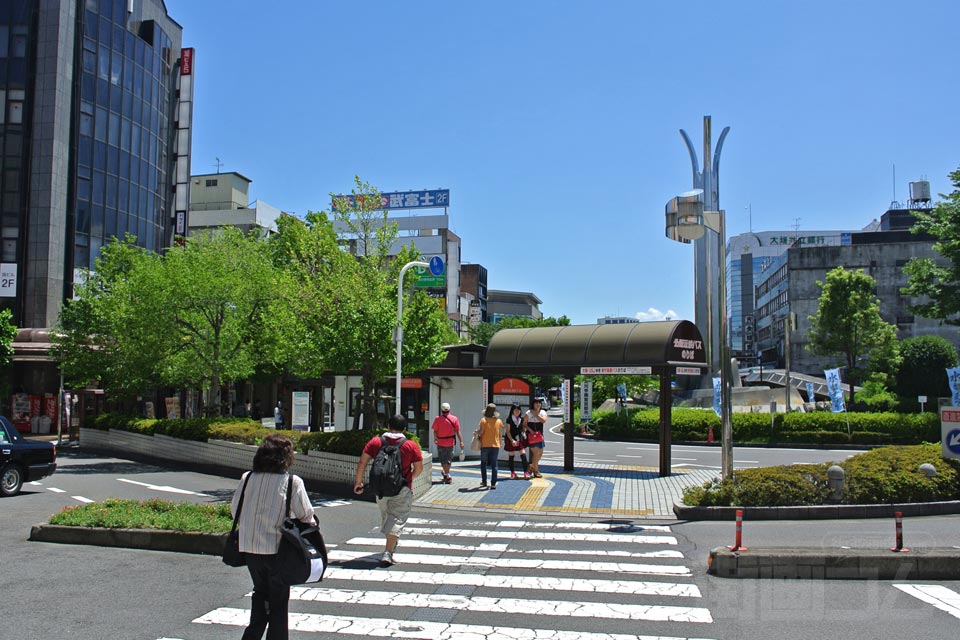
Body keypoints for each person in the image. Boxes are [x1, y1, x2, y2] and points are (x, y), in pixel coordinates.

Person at [230, 434, 316, 640]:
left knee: (260, 593)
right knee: (278, 600)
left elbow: (235, 511)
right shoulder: (292, 482)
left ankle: (251, 636)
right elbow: (306, 515)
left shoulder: (247, 478)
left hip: (249, 548)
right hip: (277, 550)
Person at [353, 414, 424, 566]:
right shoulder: (410, 445)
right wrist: (409, 478)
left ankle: (390, 545)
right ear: (404, 428)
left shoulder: (376, 441)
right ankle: (388, 552)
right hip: (402, 488)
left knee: (387, 517)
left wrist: (359, 482)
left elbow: (362, 462)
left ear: (388, 426)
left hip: (380, 489)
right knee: (397, 518)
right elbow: (419, 467)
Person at [431, 402, 463, 484]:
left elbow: (435, 431)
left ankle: (447, 474)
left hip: (441, 442)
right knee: (449, 459)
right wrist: (461, 441)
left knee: (443, 459)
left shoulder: (438, 419)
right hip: (451, 442)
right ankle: (446, 473)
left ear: (441, 410)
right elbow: (458, 431)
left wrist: (435, 439)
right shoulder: (454, 419)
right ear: (449, 409)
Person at [476, 403, 503, 489]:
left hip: (485, 445)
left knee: (483, 463)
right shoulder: (498, 421)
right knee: (494, 464)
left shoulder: (483, 420)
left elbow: (481, 432)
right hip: (495, 445)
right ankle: (493, 483)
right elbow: (500, 434)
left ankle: (484, 481)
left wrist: (476, 433)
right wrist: (500, 443)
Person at [503, 403, 530, 479]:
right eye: (515, 410)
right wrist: (512, 440)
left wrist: (524, 433)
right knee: (511, 455)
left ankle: (526, 472)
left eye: (518, 409)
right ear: (512, 411)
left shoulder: (521, 419)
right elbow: (508, 431)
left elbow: (522, 429)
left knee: (523, 454)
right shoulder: (509, 419)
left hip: (519, 438)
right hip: (510, 438)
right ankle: (512, 473)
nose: (517, 411)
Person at [523, 398, 548, 478]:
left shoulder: (543, 412)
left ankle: (531, 466)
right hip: (532, 436)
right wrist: (530, 430)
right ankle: (536, 471)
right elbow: (524, 423)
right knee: (536, 453)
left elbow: (543, 421)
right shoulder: (528, 413)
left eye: (539, 403)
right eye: (536, 403)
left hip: (540, 435)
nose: (538, 404)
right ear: (533, 404)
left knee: (540, 453)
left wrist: (536, 415)